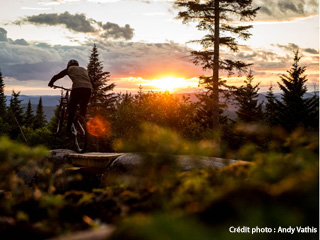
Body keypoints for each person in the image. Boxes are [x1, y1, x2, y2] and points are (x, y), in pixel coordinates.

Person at [48, 59, 93, 133]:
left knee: (72, 109)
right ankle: (81, 125)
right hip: (88, 89)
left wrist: (51, 83)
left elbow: (57, 76)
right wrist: (91, 88)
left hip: (77, 89)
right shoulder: (84, 69)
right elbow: (91, 80)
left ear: (69, 65)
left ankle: (68, 130)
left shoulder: (69, 69)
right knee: (83, 108)